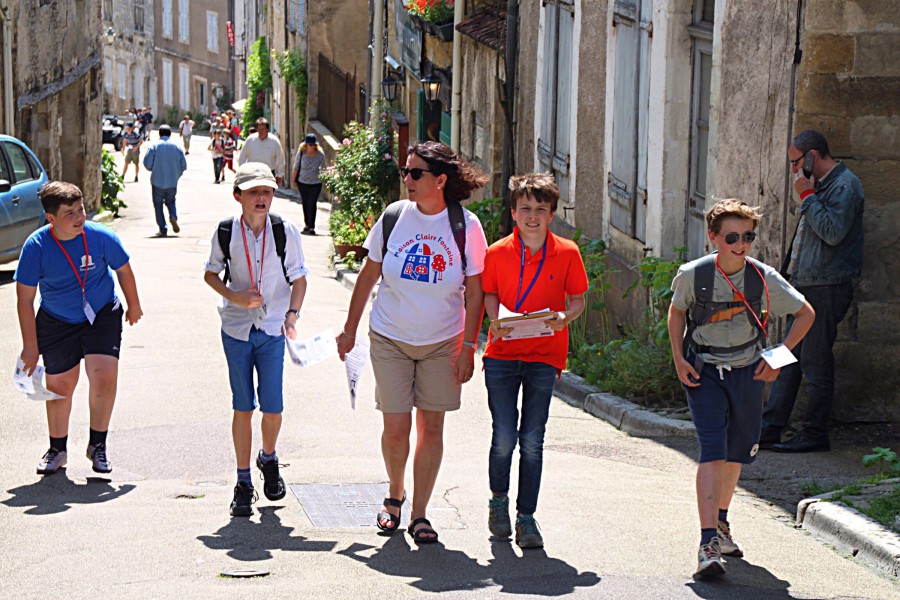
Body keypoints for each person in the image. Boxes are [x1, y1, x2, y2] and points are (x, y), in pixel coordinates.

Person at [336, 141, 488, 544]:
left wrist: (470, 346)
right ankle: (394, 494)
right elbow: (368, 277)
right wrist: (349, 330)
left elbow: (475, 292)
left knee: (431, 427)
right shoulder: (393, 218)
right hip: (390, 336)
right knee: (396, 425)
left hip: (444, 340)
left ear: (440, 180)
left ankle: (420, 513)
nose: (407, 179)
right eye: (405, 171)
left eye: (415, 173)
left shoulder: (466, 227)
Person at [668, 199, 815, 579]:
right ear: (714, 237)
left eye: (747, 236)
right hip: (704, 371)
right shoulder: (693, 274)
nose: (740, 243)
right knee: (712, 450)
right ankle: (707, 545)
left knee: (738, 451)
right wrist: (679, 359)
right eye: (732, 236)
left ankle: (721, 522)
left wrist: (779, 356)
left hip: (748, 372)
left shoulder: (763, 278)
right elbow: (677, 311)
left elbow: (806, 313)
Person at [481, 173, 588, 549]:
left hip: (546, 354)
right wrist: (496, 320)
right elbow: (489, 292)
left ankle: (527, 518)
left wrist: (565, 318)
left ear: (552, 214)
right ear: (513, 212)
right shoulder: (495, 252)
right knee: (505, 436)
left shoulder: (568, 252)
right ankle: (498, 500)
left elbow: (577, 300)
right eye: (525, 208)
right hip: (503, 354)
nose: (532, 216)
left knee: (533, 439)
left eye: (540, 210)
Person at [15, 181, 143, 475]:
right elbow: (25, 300)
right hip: (56, 320)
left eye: (81, 209)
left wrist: (133, 304)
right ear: (51, 219)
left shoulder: (99, 236)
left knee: (105, 376)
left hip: (101, 315)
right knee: (59, 386)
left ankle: (98, 445)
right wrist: (30, 347)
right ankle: (57, 450)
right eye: (70, 213)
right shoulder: (36, 247)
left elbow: (123, 269)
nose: (79, 217)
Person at [203, 162, 309, 517]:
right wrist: (234, 297)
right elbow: (210, 274)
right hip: (235, 328)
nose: (262, 198)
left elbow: (300, 279)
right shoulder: (224, 231)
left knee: (273, 408)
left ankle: (268, 457)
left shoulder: (285, 231)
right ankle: (243, 480)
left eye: (267, 191)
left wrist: (292, 315)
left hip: (273, 327)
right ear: (239, 196)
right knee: (242, 406)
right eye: (254, 192)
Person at [760, 130, 865, 453]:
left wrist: (806, 196)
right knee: (785, 354)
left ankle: (815, 433)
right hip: (807, 285)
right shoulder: (820, 187)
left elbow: (832, 233)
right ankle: (770, 426)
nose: (794, 171)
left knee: (816, 362)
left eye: (796, 163)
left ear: (812, 157)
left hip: (827, 287)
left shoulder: (846, 186)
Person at [142, 124, 187, 237]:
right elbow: (183, 165)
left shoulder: (154, 146)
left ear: (159, 134)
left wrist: (155, 168)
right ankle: (173, 216)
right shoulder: (177, 147)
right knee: (171, 201)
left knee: (158, 205)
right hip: (172, 182)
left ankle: (163, 229)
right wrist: (176, 175)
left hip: (157, 181)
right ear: (170, 134)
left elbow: (147, 164)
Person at [291, 134, 327, 235]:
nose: (312, 147)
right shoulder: (301, 153)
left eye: (313, 145)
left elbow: (324, 168)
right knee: (305, 203)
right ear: (306, 145)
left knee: (312, 203)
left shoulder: (320, 154)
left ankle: (311, 226)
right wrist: (293, 180)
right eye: (310, 145)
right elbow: (296, 167)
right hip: (302, 182)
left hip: (316, 183)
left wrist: (326, 180)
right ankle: (307, 224)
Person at [238, 118, 285, 187]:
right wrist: (243, 173)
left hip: (269, 174)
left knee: (266, 195)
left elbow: (280, 158)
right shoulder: (250, 140)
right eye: (259, 129)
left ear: (267, 130)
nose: (261, 131)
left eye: (263, 129)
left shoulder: (274, 141)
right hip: (252, 173)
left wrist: (279, 175)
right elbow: (242, 157)